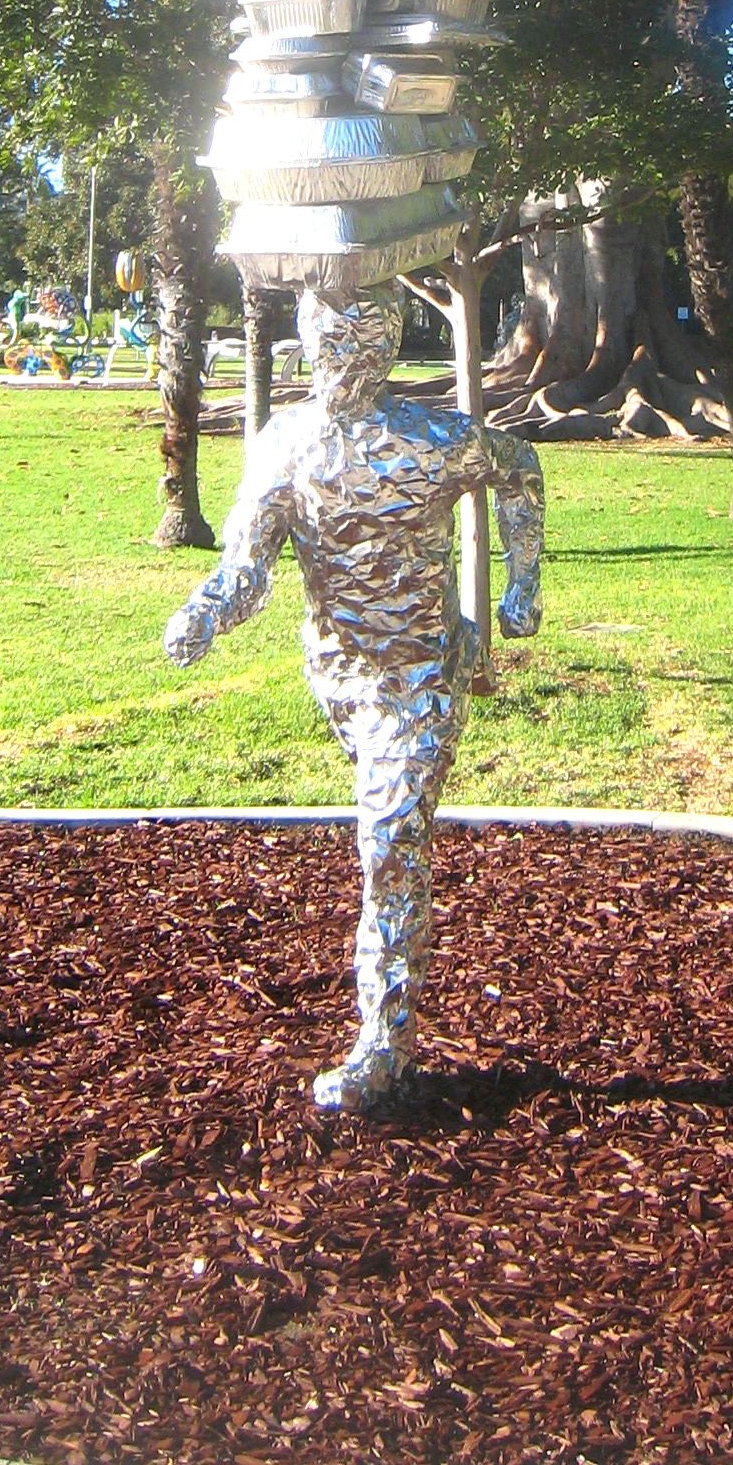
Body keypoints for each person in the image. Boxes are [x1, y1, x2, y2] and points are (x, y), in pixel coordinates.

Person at [166, 286, 544, 1114]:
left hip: (424, 674)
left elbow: (520, 470)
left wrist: (524, 590)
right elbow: (247, 565)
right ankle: (389, 1033)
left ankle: (385, 1044)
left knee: (388, 840)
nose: (349, 363)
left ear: (390, 351)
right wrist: (205, 611)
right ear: (310, 346)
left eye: (366, 347)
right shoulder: (286, 444)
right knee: (387, 833)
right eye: (336, 346)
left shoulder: (433, 438)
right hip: (339, 677)